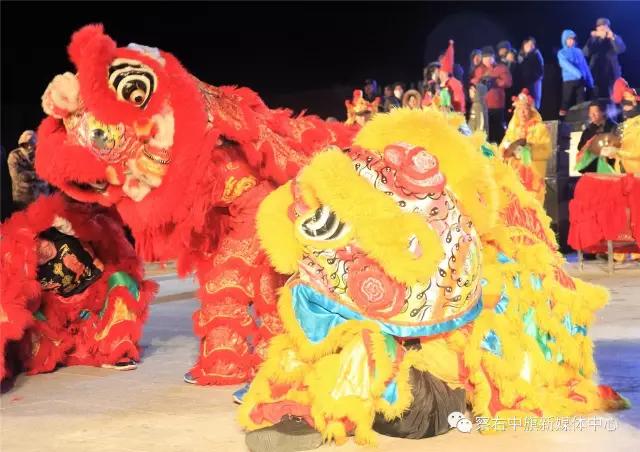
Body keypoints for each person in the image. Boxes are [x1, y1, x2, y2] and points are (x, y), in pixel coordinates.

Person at [499, 89, 552, 204]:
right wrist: (507, 150)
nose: (522, 113)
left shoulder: (540, 128)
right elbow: (502, 150)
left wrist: (527, 152)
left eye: (525, 109)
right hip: (515, 179)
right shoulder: (512, 130)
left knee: (532, 209)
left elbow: (546, 151)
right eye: (519, 110)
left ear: (531, 110)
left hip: (533, 180)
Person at [471, 46, 512, 143]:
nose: (488, 59)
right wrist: (479, 81)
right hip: (483, 106)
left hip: (497, 106)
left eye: (490, 57)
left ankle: (499, 149)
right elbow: (473, 81)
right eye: (485, 57)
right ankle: (487, 150)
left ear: (494, 57)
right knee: (485, 132)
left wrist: (495, 82)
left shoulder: (501, 68)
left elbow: (508, 82)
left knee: (498, 131)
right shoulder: (478, 70)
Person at [583, 17, 626, 98]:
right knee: (596, 99)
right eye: (600, 27)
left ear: (608, 28)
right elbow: (585, 53)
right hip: (596, 75)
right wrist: (594, 38)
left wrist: (613, 37)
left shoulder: (614, 37)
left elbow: (621, 49)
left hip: (612, 75)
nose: (603, 29)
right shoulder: (593, 39)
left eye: (605, 27)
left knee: (613, 99)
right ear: (597, 29)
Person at [7, 131, 50, 211]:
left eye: (32, 143)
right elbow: (18, 176)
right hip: (23, 200)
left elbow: (49, 174)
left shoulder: (43, 153)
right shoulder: (14, 155)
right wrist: (38, 175)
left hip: (42, 197)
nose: (29, 147)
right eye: (26, 144)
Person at [575, 101, 619, 174]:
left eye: (595, 112)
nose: (592, 115)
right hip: (591, 170)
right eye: (590, 113)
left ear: (603, 112)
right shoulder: (588, 130)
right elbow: (580, 147)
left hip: (609, 169)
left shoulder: (614, 127)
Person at [558, 29, 594, 117]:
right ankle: (562, 120)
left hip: (581, 80)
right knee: (566, 100)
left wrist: (590, 80)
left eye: (573, 39)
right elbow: (566, 65)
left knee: (581, 101)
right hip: (569, 80)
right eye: (569, 39)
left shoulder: (578, 51)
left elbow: (584, 66)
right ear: (564, 40)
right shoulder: (562, 52)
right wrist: (578, 73)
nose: (571, 41)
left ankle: (580, 118)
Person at [438, 40, 466, 113]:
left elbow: (459, 104)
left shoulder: (455, 84)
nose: (440, 74)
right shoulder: (438, 84)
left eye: (441, 72)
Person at [517, 37, 544, 110]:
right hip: (523, 83)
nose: (529, 46)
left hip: (533, 83)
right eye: (527, 44)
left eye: (531, 45)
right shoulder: (520, 56)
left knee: (533, 103)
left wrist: (533, 79)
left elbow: (540, 71)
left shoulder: (536, 55)